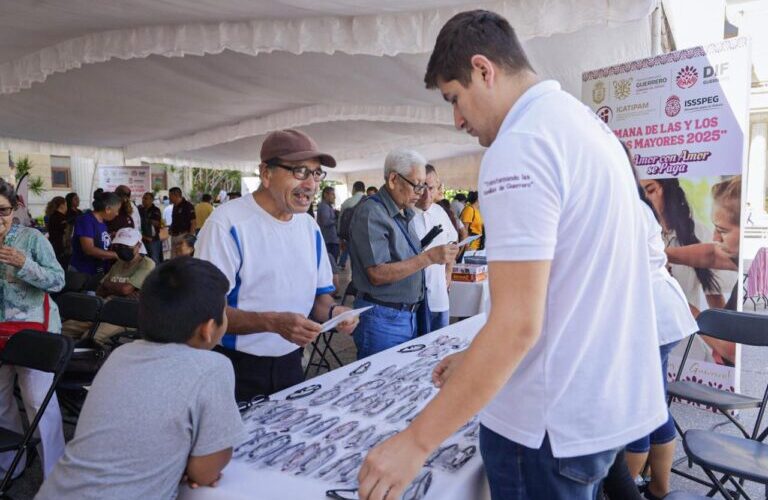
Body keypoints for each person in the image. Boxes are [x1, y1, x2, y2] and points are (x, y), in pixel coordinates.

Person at [357, 11, 666, 500]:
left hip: (544, 422)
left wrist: (415, 442)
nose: (457, 120)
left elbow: (520, 323)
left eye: (454, 99)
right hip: (594, 402)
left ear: (484, 70)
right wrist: (480, 355)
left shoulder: (520, 145)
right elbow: (568, 285)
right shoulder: (583, 126)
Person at [36, 257, 246, 499]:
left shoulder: (121, 355)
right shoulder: (213, 367)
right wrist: (195, 466)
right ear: (208, 329)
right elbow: (205, 472)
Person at [197, 129, 359, 401]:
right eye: (299, 171)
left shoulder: (308, 226)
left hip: (291, 364)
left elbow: (319, 297)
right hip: (235, 366)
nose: (310, 184)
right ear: (266, 173)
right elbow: (205, 312)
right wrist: (271, 323)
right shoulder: (227, 224)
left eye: (316, 173)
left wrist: (334, 313)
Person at [604, 145, 698, 500]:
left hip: (648, 317)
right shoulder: (636, 206)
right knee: (653, 401)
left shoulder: (621, 208)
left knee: (638, 406)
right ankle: (659, 487)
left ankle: (626, 491)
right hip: (659, 314)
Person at [349, 149, 459, 358]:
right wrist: (428, 257)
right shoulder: (372, 213)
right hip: (382, 317)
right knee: (381, 382)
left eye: (425, 186)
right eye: (416, 184)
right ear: (393, 179)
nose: (420, 191)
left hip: (406, 315)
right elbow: (377, 274)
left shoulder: (403, 212)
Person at [0, 179, 66, 479]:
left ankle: (55, 473)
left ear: (14, 208)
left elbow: (58, 280)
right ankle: (11, 464)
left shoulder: (31, 239)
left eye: (2, 210)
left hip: (33, 335)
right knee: (0, 402)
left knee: (38, 401)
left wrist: (25, 264)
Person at [666, 176, 742, 365]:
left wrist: (682, 305)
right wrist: (662, 255)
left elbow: (731, 350)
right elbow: (711, 255)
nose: (715, 237)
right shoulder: (731, 252)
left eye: (722, 230)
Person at [639, 178, 726, 315]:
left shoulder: (700, 232)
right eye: (639, 193)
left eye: (651, 190)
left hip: (689, 328)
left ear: (668, 189)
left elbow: (714, 295)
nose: (645, 198)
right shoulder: (637, 234)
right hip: (648, 325)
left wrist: (725, 333)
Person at [62, 228, 155, 347]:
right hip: (103, 307)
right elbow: (100, 290)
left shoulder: (146, 264)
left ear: (138, 245)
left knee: (89, 338)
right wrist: (117, 288)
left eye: (126, 246)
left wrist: (110, 285)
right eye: (119, 245)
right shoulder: (118, 263)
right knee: (63, 329)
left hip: (125, 314)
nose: (122, 249)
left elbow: (125, 289)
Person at [413, 164, 458, 331]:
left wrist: (449, 272)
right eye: (421, 188)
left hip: (440, 296)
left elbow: (453, 243)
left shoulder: (440, 212)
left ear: (437, 186)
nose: (426, 194)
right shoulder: (406, 215)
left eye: (431, 188)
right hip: (414, 301)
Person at [69, 192, 120, 276]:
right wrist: (115, 255)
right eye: (117, 210)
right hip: (83, 272)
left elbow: (98, 238)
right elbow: (89, 249)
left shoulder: (102, 221)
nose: (117, 213)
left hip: (98, 270)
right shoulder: (86, 220)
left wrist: (111, 236)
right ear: (107, 209)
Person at [338, 181, 367, 269]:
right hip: (365, 236)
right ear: (364, 189)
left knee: (353, 259)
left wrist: (340, 236)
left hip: (350, 235)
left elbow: (340, 220)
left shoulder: (347, 202)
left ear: (354, 189)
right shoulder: (369, 201)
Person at [169, 187, 196, 257]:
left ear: (176, 195)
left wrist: (190, 238)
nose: (169, 198)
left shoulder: (188, 206)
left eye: (170, 196)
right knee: (173, 259)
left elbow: (193, 222)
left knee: (183, 258)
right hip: (174, 236)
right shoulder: (175, 206)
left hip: (183, 236)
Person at [317, 186, 340, 263]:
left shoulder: (328, 206)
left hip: (332, 240)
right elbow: (326, 222)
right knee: (331, 264)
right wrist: (337, 220)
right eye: (332, 194)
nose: (335, 197)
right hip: (329, 241)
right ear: (325, 195)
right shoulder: (324, 206)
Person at [138, 192, 163, 264]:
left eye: (146, 198)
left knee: (154, 260)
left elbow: (157, 223)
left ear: (151, 200)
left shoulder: (155, 210)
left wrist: (146, 219)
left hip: (153, 240)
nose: (143, 200)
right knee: (144, 261)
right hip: (142, 239)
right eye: (143, 198)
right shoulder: (140, 210)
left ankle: (156, 274)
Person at [45, 196, 69, 268]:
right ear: (62, 205)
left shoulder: (51, 216)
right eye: (66, 205)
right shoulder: (61, 218)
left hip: (53, 245)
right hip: (61, 247)